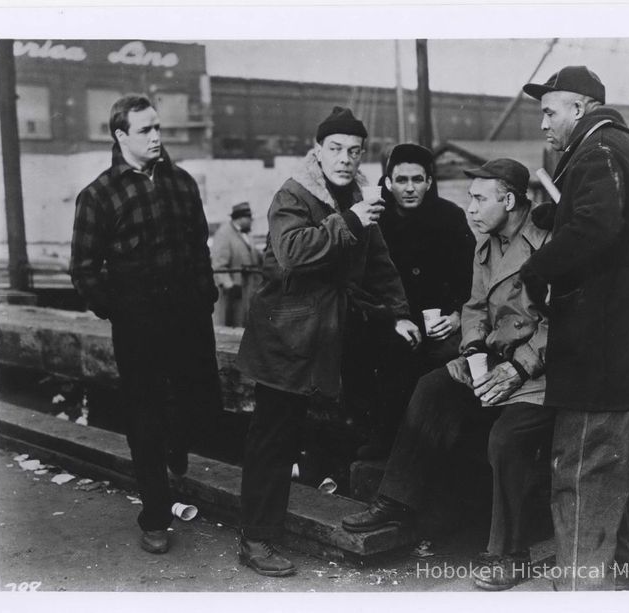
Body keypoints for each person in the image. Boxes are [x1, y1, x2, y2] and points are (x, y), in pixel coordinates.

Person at [342, 159, 554, 592]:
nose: (470, 207)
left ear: (509, 200)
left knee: (507, 438)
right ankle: (396, 501)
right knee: (433, 387)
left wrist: (518, 368)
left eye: (479, 198)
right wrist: (473, 349)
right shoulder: (487, 244)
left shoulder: (550, 242)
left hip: (541, 371)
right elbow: (475, 306)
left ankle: (508, 553)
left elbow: (562, 323)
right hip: (497, 360)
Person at [235, 106, 420, 577]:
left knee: (307, 432)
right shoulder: (293, 195)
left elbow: (379, 262)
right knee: (273, 440)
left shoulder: (356, 196)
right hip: (284, 336)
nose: (345, 159)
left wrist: (398, 314)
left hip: (326, 336)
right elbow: (293, 254)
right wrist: (350, 222)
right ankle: (256, 540)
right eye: (335, 149)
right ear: (317, 151)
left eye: (354, 151)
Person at [519, 66, 629, 590]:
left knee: (584, 478)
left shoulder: (596, 152)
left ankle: (580, 594)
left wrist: (537, 269)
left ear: (580, 108)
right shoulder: (627, 149)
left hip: (600, 358)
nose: (543, 123)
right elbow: (612, 222)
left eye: (549, 110)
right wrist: (556, 218)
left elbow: (595, 226)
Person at [69, 94, 221, 555]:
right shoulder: (99, 195)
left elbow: (199, 247)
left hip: (190, 319)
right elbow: (84, 269)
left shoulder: (182, 183)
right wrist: (118, 309)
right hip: (139, 326)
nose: (156, 137)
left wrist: (205, 297)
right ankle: (155, 516)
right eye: (144, 130)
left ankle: (179, 444)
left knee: (203, 404)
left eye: (158, 128)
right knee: (145, 419)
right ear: (120, 136)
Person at [352, 143, 475, 459]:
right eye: (401, 180)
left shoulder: (451, 217)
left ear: (430, 182)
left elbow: (472, 276)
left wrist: (459, 314)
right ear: (388, 182)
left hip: (442, 323)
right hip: (388, 321)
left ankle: (430, 453)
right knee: (388, 357)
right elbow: (360, 281)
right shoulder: (374, 219)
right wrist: (392, 317)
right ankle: (383, 443)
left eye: (417, 180)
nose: (409, 188)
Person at [211, 201, 264, 327]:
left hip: (247, 292)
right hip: (233, 295)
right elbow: (219, 265)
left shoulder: (246, 235)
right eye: (249, 218)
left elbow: (256, 257)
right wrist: (230, 286)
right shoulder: (224, 234)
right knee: (233, 327)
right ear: (241, 218)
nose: (251, 221)